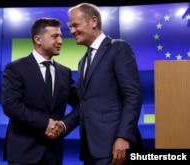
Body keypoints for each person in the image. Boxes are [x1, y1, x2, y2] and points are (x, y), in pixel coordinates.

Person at [60, 2, 144, 165]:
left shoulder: (118, 48)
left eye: (75, 25)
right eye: (70, 27)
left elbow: (132, 96)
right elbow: (84, 104)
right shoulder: (83, 61)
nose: (71, 31)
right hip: (90, 150)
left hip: (114, 147)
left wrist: (123, 137)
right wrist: (63, 125)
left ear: (93, 21)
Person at [1, 17, 79, 165]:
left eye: (61, 36)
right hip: (23, 153)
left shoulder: (65, 72)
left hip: (53, 153)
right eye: (55, 36)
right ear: (38, 39)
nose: (61, 41)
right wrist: (45, 123)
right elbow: (11, 105)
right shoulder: (16, 68)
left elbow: (81, 104)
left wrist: (63, 125)